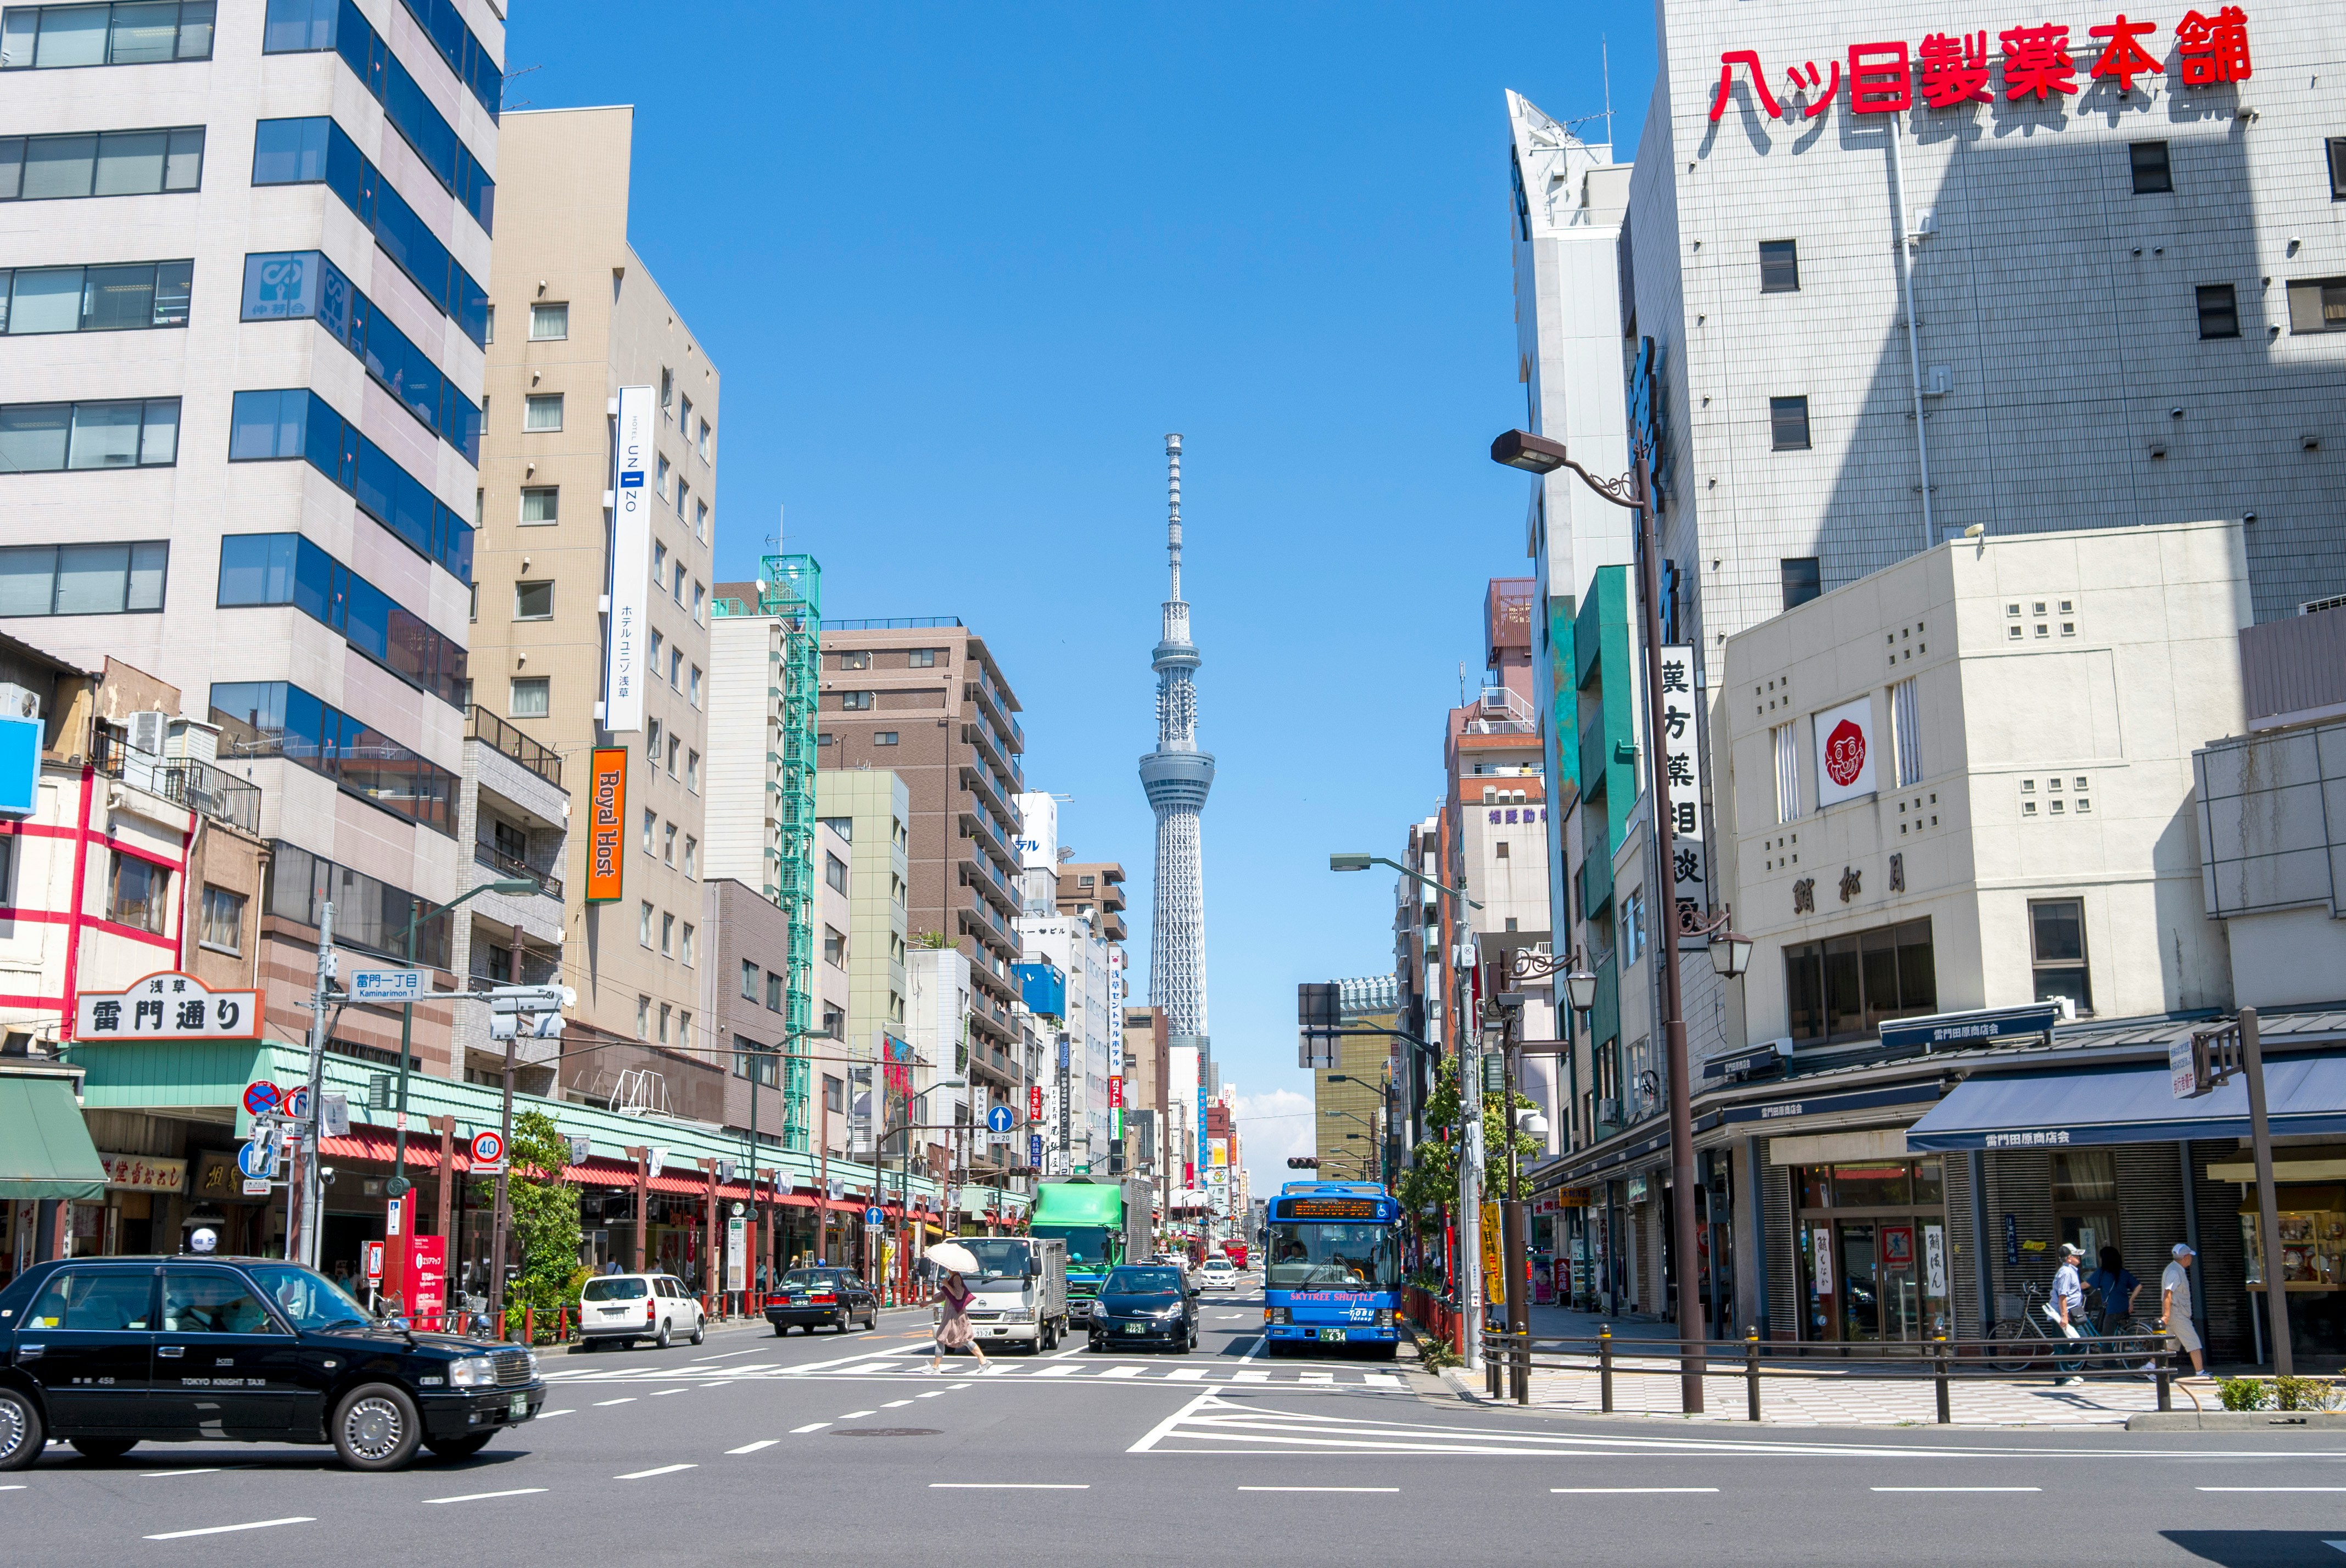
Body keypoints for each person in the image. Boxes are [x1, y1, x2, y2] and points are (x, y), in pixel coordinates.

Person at [929, 1268, 989, 1373]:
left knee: (941, 1337)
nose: (945, 1268)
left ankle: (935, 1367)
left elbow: (958, 1295)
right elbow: (944, 1294)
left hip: (955, 1315)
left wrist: (947, 1285)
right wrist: (929, 1302)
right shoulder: (952, 1278)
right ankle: (983, 1362)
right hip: (952, 1313)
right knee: (963, 1339)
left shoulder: (956, 1278)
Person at [2050, 1242, 2091, 1385]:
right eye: (2076, 1256)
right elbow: (2063, 1296)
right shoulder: (2066, 1272)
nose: (2079, 1258)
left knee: (2083, 1340)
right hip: (2064, 1314)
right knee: (2062, 1346)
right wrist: (2064, 1316)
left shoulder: (2071, 1270)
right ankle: (2062, 1378)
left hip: (2073, 1313)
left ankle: (2070, 1370)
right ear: (2069, 1258)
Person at [2163, 1242, 2205, 1377]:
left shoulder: (2175, 1269)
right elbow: (2168, 1293)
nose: (2191, 1259)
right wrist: (2167, 1315)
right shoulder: (2175, 1272)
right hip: (2178, 1313)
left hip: (2176, 1313)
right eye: (2190, 1256)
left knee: (2170, 1345)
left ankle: (2150, 1367)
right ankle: (2200, 1373)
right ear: (2186, 1257)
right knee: (2193, 1343)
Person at [2087, 1245, 2140, 1332]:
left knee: (2107, 1340)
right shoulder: (2123, 1273)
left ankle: (2106, 1346)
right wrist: (2131, 1300)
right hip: (2124, 1309)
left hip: (2112, 1310)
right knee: (2117, 1334)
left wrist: (2072, 1287)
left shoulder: (2102, 1272)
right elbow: (2138, 1286)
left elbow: (2086, 1285)